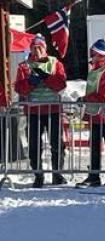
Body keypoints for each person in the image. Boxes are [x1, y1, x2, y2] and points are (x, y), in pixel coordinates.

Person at [14, 34, 67, 188]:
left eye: (40, 47)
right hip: (34, 111)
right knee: (34, 146)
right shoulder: (24, 66)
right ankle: (38, 175)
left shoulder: (55, 63)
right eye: (34, 47)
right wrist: (31, 81)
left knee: (57, 144)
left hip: (53, 110)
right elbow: (20, 89)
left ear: (45, 48)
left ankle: (57, 174)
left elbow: (61, 85)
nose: (37, 51)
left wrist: (46, 77)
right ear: (30, 49)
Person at [76, 36, 105, 188]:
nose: (91, 56)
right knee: (95, 145)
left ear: (101, 54)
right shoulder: (97, 70)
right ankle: (94, 176)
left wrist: (85, 99)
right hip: (96, 114)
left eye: (93, 53)